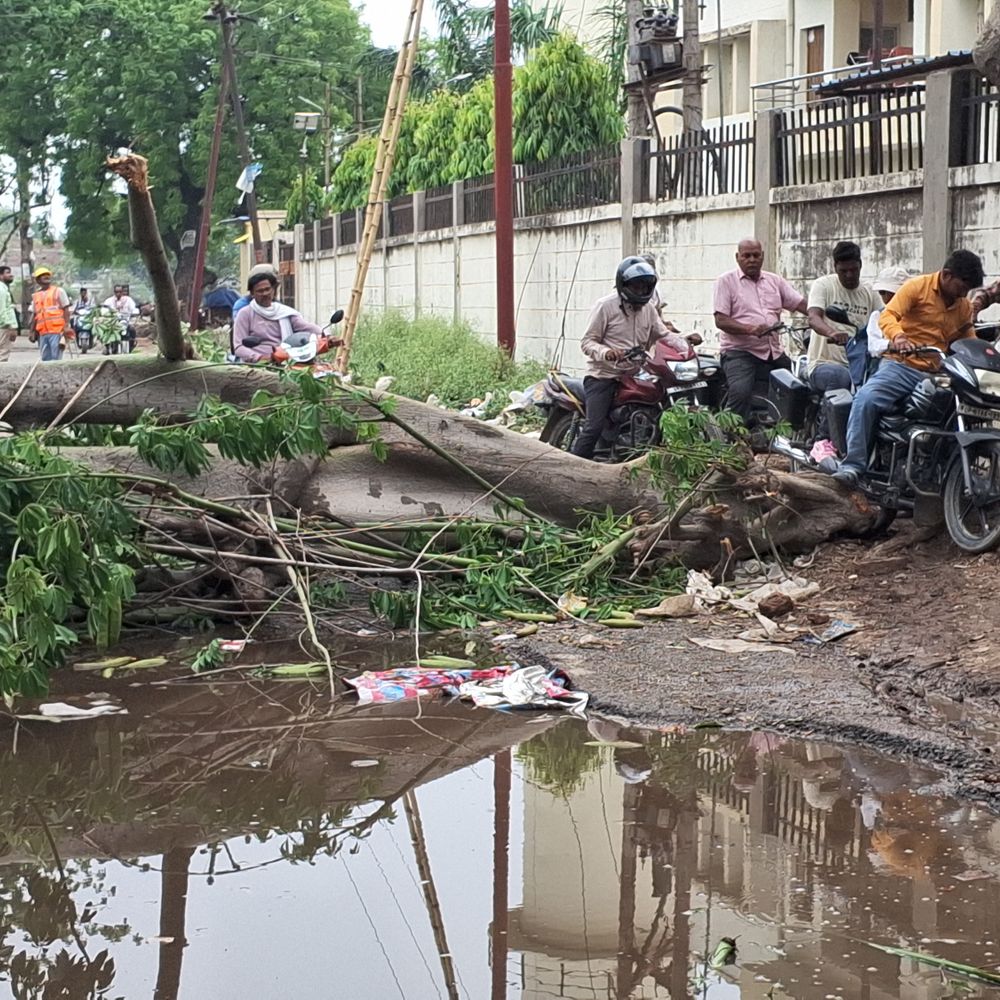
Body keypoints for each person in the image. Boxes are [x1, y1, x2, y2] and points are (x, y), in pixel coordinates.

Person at [832, 249, 984, 487]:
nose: (964, 295)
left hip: (938, 372)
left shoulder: (963, 306)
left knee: (960, 413)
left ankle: (943, 473)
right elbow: (888, 315)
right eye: (962, 287)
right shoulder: (916, 287)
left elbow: (968, 338)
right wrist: (899, 338)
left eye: (968, 291)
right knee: (866, 399)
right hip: (902, 365)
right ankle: (853, 465)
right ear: (946, 275)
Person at [572, 256, 691, 460]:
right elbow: (587, 342)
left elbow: (663, 334)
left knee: (658, 403)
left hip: (636, 374)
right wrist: (606, 352)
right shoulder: (605, 306)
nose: (641, 290)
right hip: (604, 375)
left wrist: (685, 343)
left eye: (645, 286)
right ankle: (571, 468)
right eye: (636, 286)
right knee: (594, 426)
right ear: (624, 285)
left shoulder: (648, 310)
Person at [713, 238, 808, 427]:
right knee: (740, 392)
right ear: (737, 257)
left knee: (800, 386)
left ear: (762, 256)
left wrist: (821, 316)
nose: (751, 260)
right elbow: (720, 320)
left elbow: (800, 304)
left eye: (756, 255)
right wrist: (750, 329)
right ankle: (732, 437)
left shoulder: (774, 281)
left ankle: (795, 436)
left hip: (773, 351)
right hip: (740, 352)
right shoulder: (726, 281)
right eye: (746, 256)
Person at [232, 266, 333, 362]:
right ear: (252, 293)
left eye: (267, 289)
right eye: (260, 291)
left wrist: (326, 336)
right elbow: (239, 347)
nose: (265, 294)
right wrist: (261, 358)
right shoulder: (245, 313)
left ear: (273, 289)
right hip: (257, 366)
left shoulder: (283, 311)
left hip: (285, 361)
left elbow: (305, 326)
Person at [29, 266, 71, 362]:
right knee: (45, 358)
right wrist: (32, 331)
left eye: (48, 275)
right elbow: (34, 315)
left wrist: (66, 326)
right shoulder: (36, 296)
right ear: (38, 280)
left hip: (57, 331)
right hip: (43, 333)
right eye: (43, 275)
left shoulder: (58, 291)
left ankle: (57, 376)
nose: (46, 276)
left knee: (56, 358)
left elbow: (66, 309)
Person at [103, 284, 139, 350]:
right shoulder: (109, 301)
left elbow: (133, 309)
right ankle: (107, 347)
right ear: (114, 292)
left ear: (122, 292)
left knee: (132, 329)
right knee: (107, 331)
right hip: (113, 323)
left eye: (120, 292)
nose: (118, 294)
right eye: (116, 292)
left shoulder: (128, 300)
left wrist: (134, 313)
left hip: (126, 321)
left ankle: (131, 345)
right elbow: (104, 309)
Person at [0, 265, 16, 363]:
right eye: (7, 273)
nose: (11, 275)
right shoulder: (1, 290)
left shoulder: (4, 289)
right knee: (3, 354)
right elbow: (2, 309)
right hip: (3, 326)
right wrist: (10, 326)